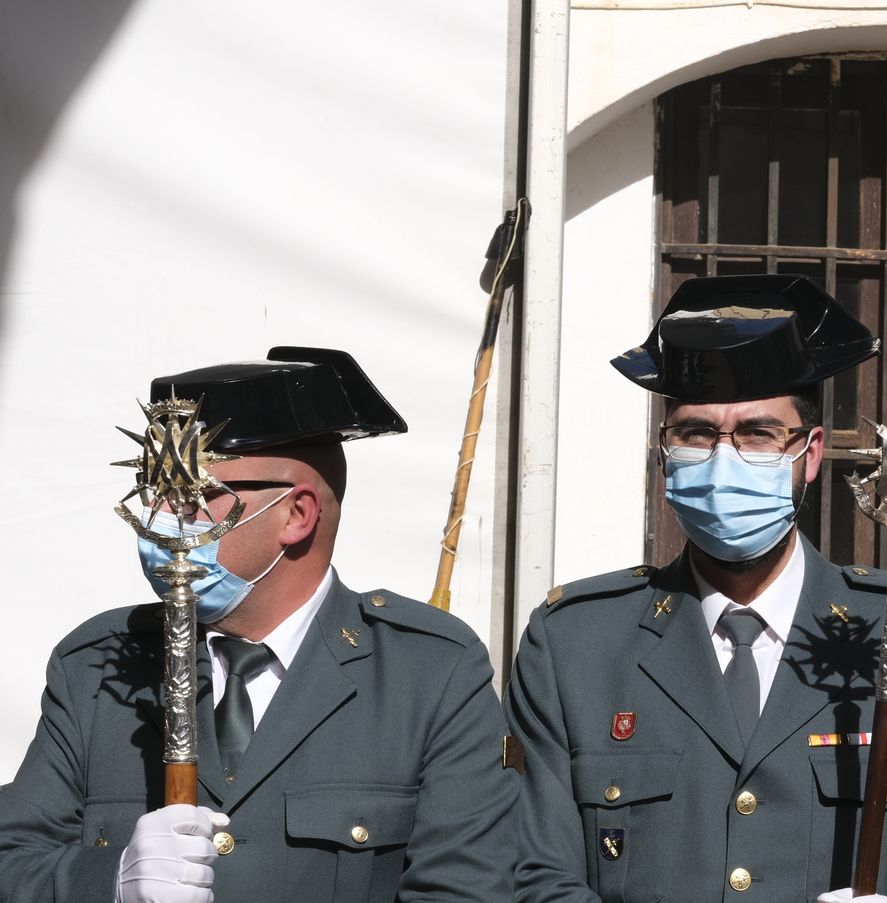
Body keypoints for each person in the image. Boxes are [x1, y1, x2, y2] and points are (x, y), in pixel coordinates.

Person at [506, 275, 887, 903]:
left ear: (810, 454)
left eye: (758, 434)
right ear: (664, 453)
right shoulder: (576, 645)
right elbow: (532, 878)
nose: (723, 459)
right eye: (696, 434)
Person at [0, 347, 518, 902]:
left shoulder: (428, 672)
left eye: (198, 497)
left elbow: (464, 889)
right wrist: (110, 885)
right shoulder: (98, 667)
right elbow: (13, 861)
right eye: (159, 493)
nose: (165, 521)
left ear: (296, 515)